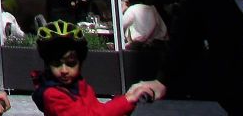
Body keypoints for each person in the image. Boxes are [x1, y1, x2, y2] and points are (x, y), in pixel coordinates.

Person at [30, 21, 159, 116]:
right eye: (56, 64)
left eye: (71, 63)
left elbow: (97, 109)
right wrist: (127, 100)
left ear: (80, 62)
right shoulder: (52, 94)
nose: (64, 70)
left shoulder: (79, 85)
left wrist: (128, 98)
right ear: (48, 64)